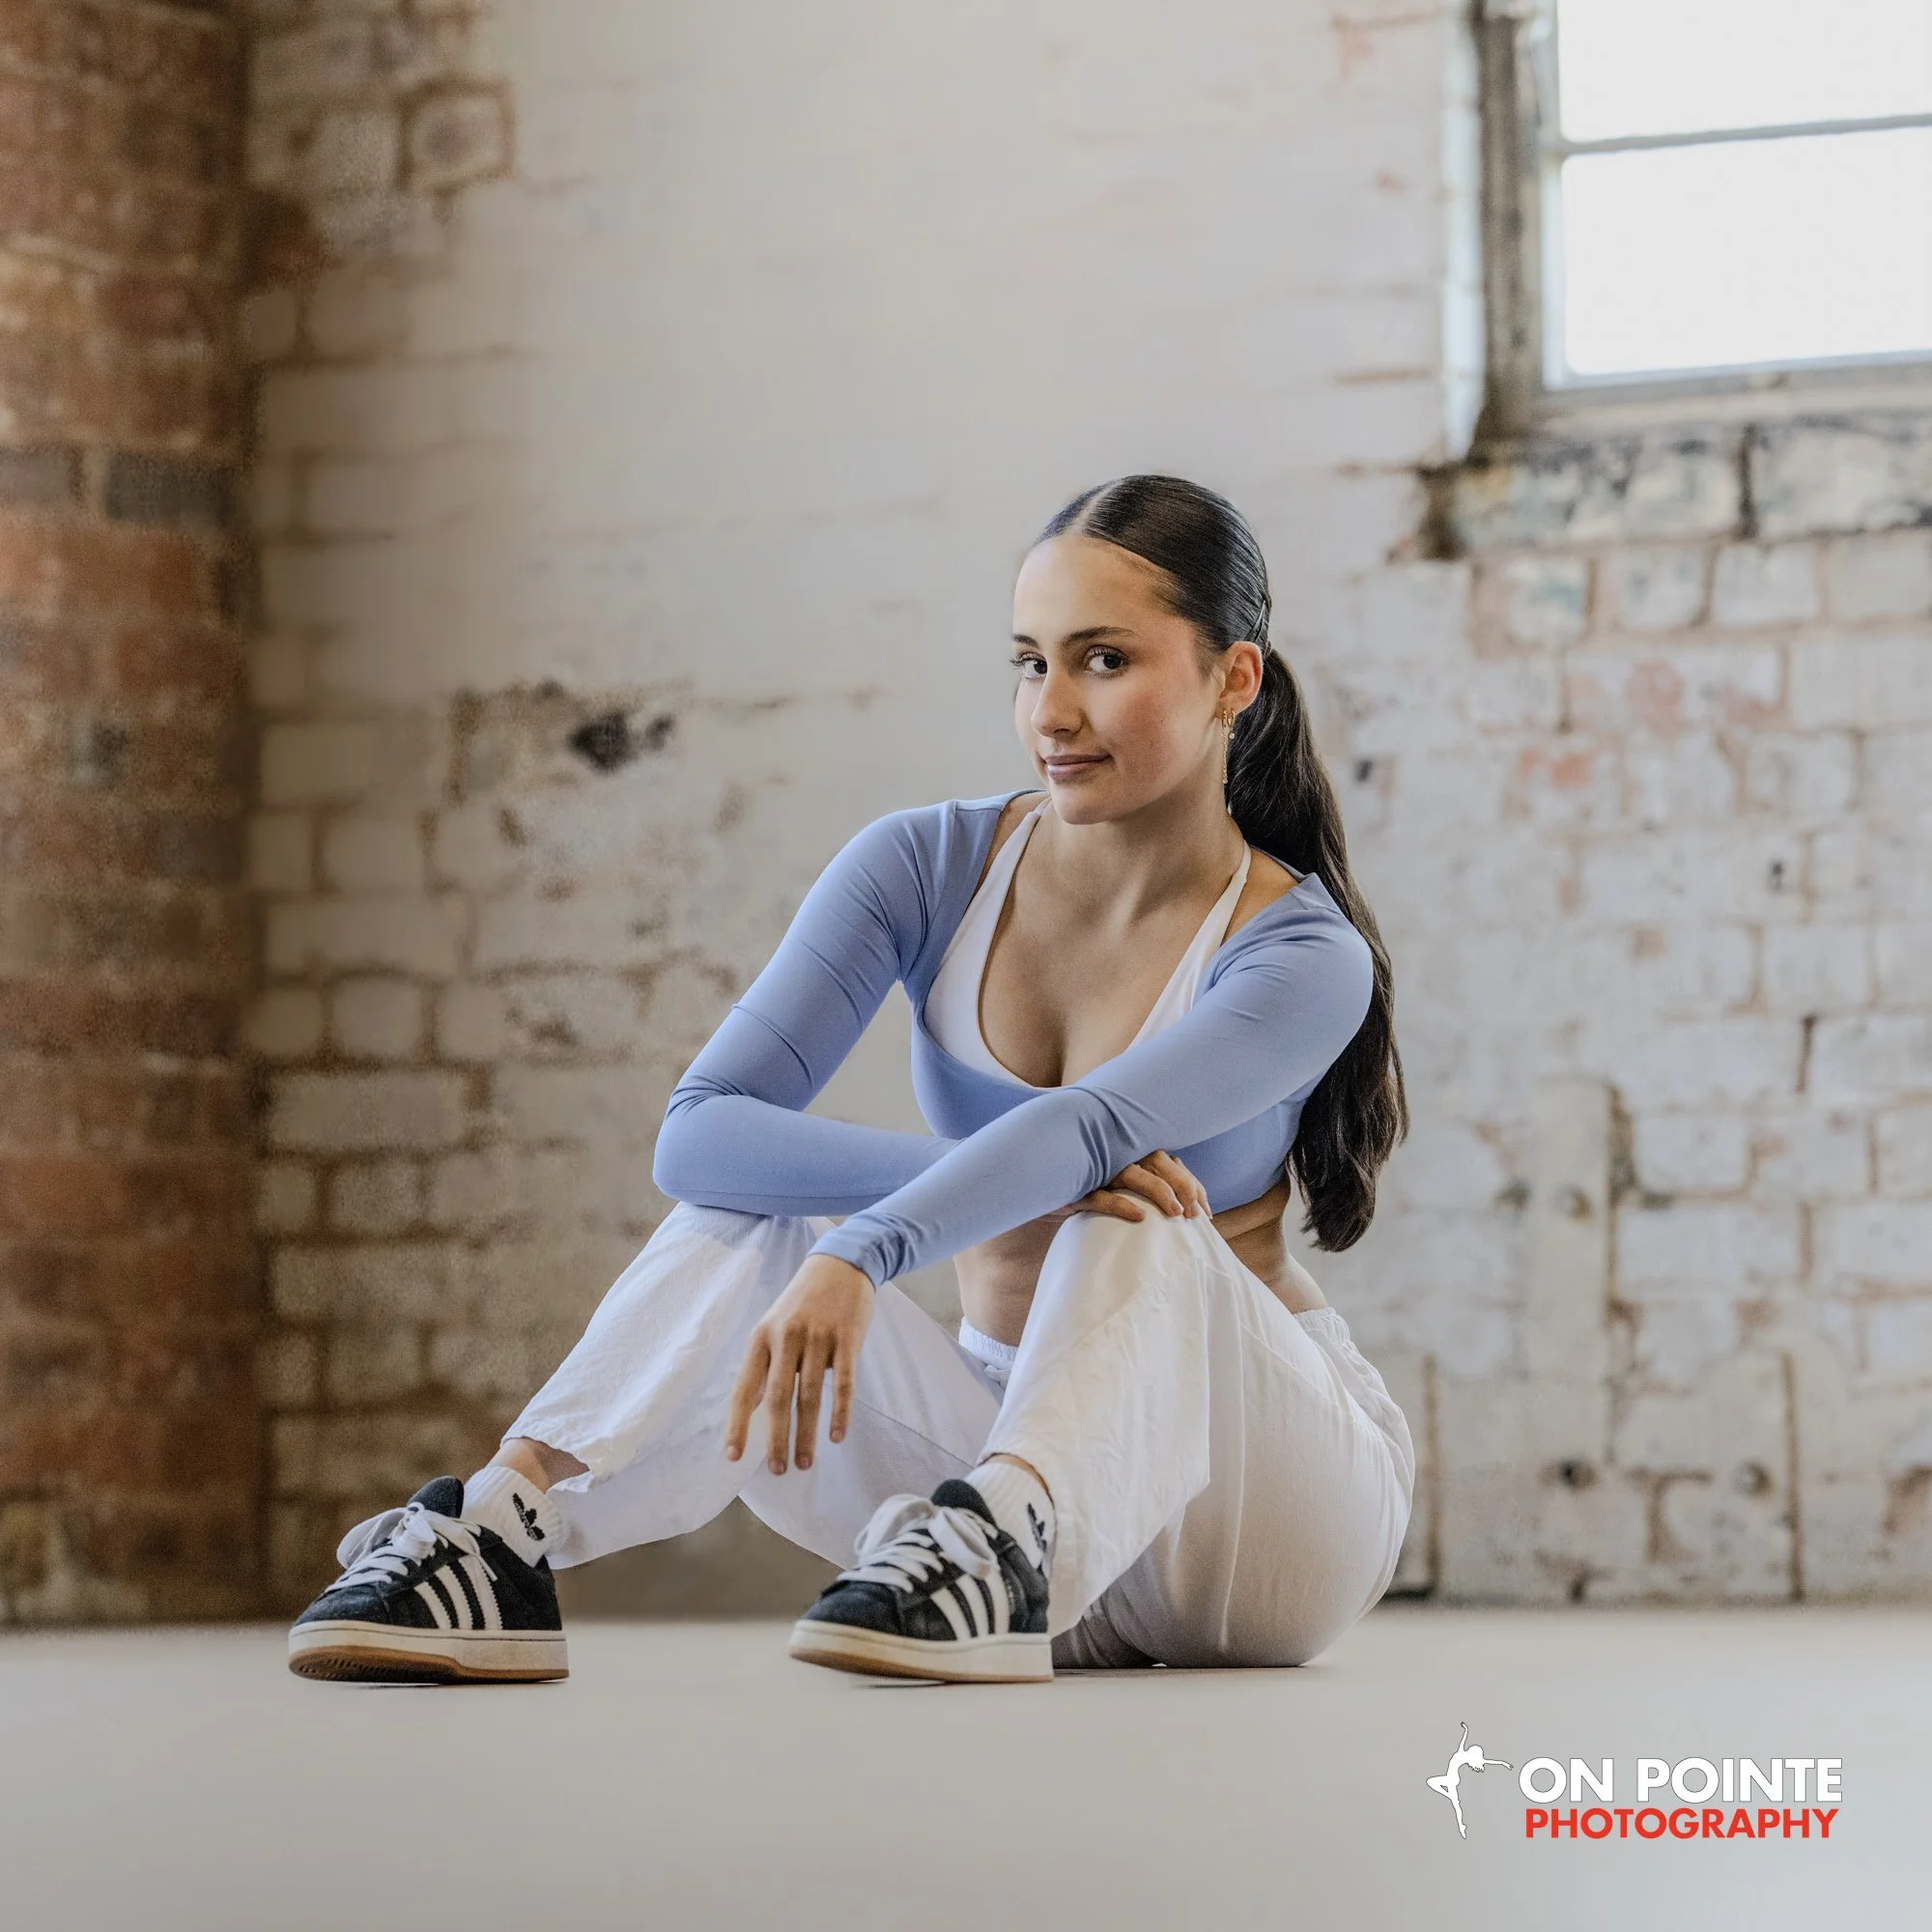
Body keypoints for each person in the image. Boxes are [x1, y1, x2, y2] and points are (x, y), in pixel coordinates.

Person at [287, 473, 1415, 1687]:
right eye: (1029, 662)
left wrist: (869, 1246)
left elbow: (1094, 1129)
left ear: (1231, 679)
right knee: (748, 1211)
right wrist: (875, 1224)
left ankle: (1004, 1536)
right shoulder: (921, 864)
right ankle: (507, 1529)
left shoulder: (1301, 954)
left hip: (1256, 1508)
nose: (1052, 709)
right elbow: (699, 1135)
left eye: (1102, 660)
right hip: (994, 1474)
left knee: (1131, 1211)